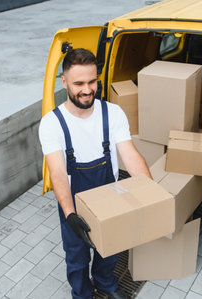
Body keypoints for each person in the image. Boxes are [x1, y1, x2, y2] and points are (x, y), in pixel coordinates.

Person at [38, 48, 152, 299]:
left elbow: (130, 155)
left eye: (92, 81)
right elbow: (57, 171)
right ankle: (81, 293)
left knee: (110, 246)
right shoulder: (52, 123)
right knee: (77, 256)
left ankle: (105, 282)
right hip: (73, 201)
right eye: (79, 83)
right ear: (64, 81)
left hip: (109, 193)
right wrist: (69, 214)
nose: (87, 89)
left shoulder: (112, 113)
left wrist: (149, 192)